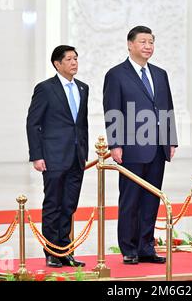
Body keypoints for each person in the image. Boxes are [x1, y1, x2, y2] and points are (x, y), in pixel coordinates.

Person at [103, 26, 178, 265]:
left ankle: (146, 247)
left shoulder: (160, 73)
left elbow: (167, 108)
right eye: (143, 42)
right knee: (130, 199)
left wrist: (171, 139)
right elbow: (113, 111)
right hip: (131, 148)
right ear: (130, 44)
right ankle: (129, 248)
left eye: (151, 42)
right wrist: (115, 144)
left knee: (151, 199)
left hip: (157, 147)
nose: (148, 46)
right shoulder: (116, 74)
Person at [26, 45, 89, 268]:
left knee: (69, 205)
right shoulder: (45, 89)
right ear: (57, 64)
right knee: (53, 205)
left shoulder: (83, 88)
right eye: (69, 59)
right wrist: (36, 155)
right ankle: (52, 252)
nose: (74, 63)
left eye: (76, 59)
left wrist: (85, 152)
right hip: (53, 156)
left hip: (76, 157)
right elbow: (33, 124)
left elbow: (82, 125)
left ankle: (66, 251)